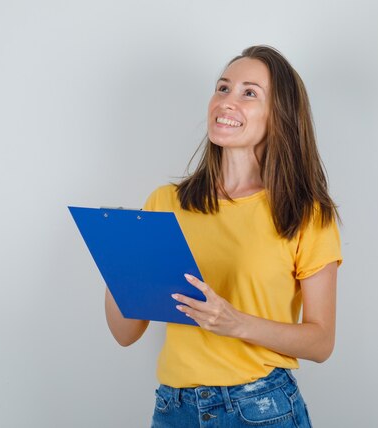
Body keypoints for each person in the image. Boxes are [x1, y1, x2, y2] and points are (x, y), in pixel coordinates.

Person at [105, 45, 342, 427]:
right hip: (173, 409)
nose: (227, 101)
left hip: (260, 408)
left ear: (279, 115)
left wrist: (235, 323)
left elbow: (321, 342)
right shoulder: (165, 203)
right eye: (223, 88)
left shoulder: (305, 213)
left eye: (249, 93)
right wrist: (117, 258)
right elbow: (125, 333)